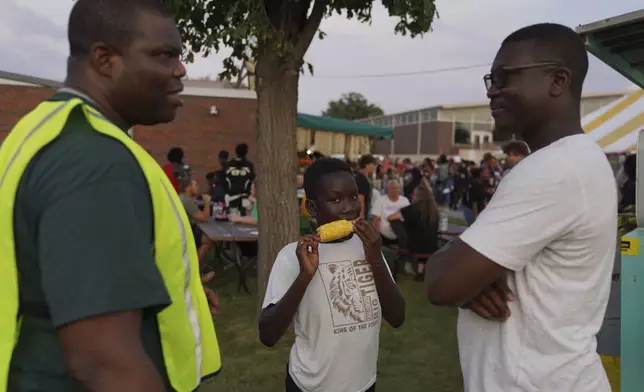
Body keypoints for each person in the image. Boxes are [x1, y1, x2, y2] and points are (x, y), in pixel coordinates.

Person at [0, 1, 221, 391]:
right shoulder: (94, 162)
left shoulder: (46, 130)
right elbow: (103, 362)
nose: (181, 69)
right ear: (105, 60)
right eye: (163, 55)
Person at [425, 23, 616, 392]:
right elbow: (459, 277)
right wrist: (471, 276)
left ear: (558, 80)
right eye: (490, 79)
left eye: (504, 76)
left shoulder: (554, 170)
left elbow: (441, 284)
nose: (492, 90)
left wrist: (461, 273)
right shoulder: (575, 160)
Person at [259, 158, 405, 392]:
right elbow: (267, 334)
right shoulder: (291, 257)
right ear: (313, 208)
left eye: (353, 197)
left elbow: (397, 317)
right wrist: (303, 278)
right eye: (335, 199)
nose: (348, 208)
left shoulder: (368, 248)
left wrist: (376, 257)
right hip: (310, 386)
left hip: (363, 384)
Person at [388, 180, 439, 279]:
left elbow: (391, 217)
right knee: (424, 234)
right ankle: (420, 271)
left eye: (414, 195)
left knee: (396, 222)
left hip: (414, 245)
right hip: (432, 245)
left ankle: (403, 250)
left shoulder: (411, 209)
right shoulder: (434, 210)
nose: (412, 196)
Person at [179, 177, 215, 266]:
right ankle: (194, 268)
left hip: (184, 229)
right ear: (188, 187)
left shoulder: (184, 197)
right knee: (207, 241)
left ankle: (200, 267)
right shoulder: (186, 200)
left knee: (206, 236)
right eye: (195, 185)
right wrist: (207, 202)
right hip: (184, 233)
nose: (197, 187)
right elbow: (204, 218)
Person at [225, 143, 255, 215]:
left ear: (236, 152)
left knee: (233, 218)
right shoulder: (249, 165)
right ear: (246, 153)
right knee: (246, 218)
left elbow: (225, 179)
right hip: (245, 197)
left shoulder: (229, 164)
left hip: (232, 197)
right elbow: (253, 180)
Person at [355, 154, 377, 219]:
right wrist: (362, 217)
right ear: (367, 165)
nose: (374, 167)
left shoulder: (366, 178)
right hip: (363, 214)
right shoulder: (361, 179)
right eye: (373, 164)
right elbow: (361, 200)